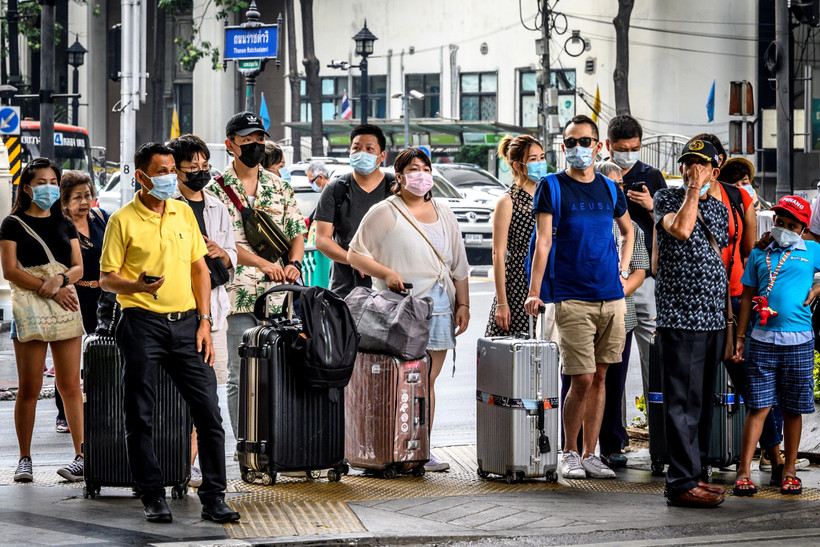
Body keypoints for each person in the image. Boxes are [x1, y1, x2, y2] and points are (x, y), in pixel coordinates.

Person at [100, 142, 239, 524]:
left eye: (170, 170)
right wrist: (137, 286)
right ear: (141, 176)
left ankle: (214, 496)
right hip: (142, 324)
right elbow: (107, 278)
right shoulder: (122, 220)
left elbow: (199, 269)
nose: (167, 177)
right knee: (140, 412)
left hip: (188, 325)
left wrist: (206, 321)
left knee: (209, 412)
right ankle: (152, 494)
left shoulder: (182, 213)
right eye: (159, 171)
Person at [525, 115, 633, 481]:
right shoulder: (552, 186)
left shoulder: (608, 187)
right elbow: (543, 241)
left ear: (598, 146)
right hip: (572, 296)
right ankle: (569, 450)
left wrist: (621, 267)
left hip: (612, 296)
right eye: (571, 142)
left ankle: (591, 453)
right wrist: (534, 292)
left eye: (585, 142)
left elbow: (628, 230)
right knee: (581, 377)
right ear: (563, 146)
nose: (578, 149)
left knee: (602, 376)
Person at [348, 147, 470, 472]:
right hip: (398, 310)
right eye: (412, 169)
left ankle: (420, 449)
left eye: (425, 168)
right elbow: (354, 255)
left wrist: (464, 303)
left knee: (427, 380)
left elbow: (459, 265)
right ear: (398, 177)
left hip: (440, 306)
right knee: (401, 378)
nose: (421, 174)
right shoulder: (385, 212)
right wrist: (385, 273)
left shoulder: (444, 212)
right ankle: (389, 445)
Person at [209, 112, 306, 443]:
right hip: (238, 292)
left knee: (276, 369)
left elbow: (296, 230)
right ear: (230, 144)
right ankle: (244, 443)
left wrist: (293, 262)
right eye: (247, 139)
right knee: (239, 374)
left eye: (259, 139)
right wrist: (263, 262)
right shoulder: (215, 190)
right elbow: (220, 242)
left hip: (277, 293)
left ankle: (276, 439)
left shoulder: (279, 185)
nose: (254, 145)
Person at [0, 158, 85, 483]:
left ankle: (81, 455)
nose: (48, 187)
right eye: (41, 182)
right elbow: (10, 270)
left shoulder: (64, 222)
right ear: (26, 187)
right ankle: (24, 458)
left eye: (53, 181)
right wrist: (48, 287)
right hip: (33, 309)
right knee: (30, 388)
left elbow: (78, 266)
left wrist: (60, 280)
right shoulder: (12, 223)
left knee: (70, 386)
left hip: (65, 305)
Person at [653, 138, 728, 508]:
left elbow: (720, 261)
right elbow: (681, 230)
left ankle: (695, 474)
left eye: (699, 165)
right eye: (686, 164)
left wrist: (728, 321)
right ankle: (680, 482)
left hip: (712, 320)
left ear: (715, 171)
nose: (690, 170)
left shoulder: (719, 209)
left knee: (700, 403)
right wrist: (694, 189)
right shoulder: (667, 199)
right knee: (680, 403)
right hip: (680, 319)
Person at [733, 196, 819, 496]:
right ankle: (744, 471)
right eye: (779, 223)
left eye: (791, 225)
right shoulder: (759, 254)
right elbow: (746, 297)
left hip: (799, 342)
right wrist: (741, 337)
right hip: (762, 342)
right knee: (758, 407)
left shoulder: (812, 251)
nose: (783, 228)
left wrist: (819, 286)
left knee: (794, 409)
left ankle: (790, 469)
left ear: (803, 228)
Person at [167, 134, 237, 490]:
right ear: (175, 170)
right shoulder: (167, 204)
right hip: (175, 309)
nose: (199, 172)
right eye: (191, 167)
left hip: (213, 311)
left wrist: (219, 252)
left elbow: (231, 256)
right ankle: (174, 459)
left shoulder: (216, 206)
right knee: (175, 391)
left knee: (209, 391)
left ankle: (191, 463)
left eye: (204, 166)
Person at [604, 115, 666, 414]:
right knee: (612, 359)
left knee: (652, 357)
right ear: (609, 146)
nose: (628, 153)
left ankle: (656, 425)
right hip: (610, 277)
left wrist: (651, 206)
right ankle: (617, 431)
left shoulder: (652, 176)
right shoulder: (601, 172)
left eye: (634, 147)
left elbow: (671, 227)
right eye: (622, 148)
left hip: (646, 277)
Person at [594, 161, 649, 467]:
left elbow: (640, 271)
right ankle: (574, 446)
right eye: (610, 184)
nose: (617, 190)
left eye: (620, 186)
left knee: (614, 382)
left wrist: (617, 291)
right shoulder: (584, 219)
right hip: (585, 311)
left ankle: (612, 443)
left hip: (621, 315)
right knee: (581, 379)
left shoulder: (631, 227)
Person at [52, 171, 110, 434]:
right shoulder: (60, 226)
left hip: (103, 298)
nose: (84, 202)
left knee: (102, 353)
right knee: (69, 357)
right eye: (77, 197)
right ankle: (63, 413)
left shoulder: (102, 219)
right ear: (65, 201)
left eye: (87, 195)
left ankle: (100, 406)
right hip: (72, 297)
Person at [313, 124, 395, 298]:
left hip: (391, 287)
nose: (361, 152)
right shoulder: (336, 189)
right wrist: (355, 261)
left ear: (382, 156)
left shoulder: (395, 187)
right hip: (346, 289)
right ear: (349, 152)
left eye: (369, 149)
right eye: (356, 148)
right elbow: (321, 240)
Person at [486, 134, 543, 337]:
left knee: (547, 351)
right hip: (518, 282)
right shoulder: (508, 201)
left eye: (542, 157)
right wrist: (502, 302)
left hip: (547, 279)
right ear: (518, 166)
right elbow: (498, 254)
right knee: (518, 351)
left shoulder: (549, 193)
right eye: (533, 159)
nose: (540, 163)